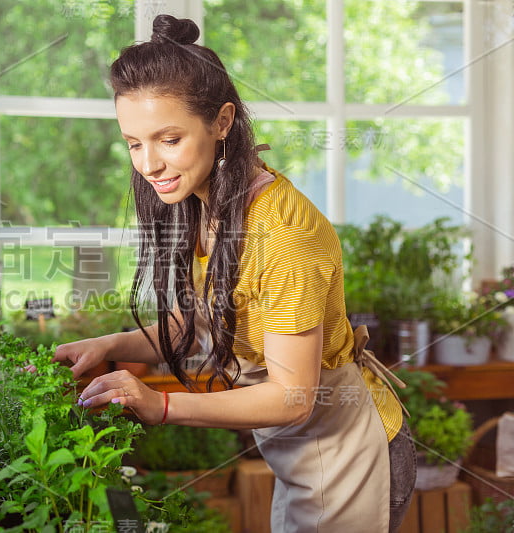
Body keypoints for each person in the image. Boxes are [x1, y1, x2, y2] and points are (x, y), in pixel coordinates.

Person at [52, 14, 416, 532]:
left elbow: (292, 397)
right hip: (303, 455)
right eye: (134, 143)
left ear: (222, 122)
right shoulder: (206, 200)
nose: (149, 163)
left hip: (349, 454)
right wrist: (109, 345)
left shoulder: (281, 230)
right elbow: (198, 320)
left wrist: (161, 406)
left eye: (168, 139)